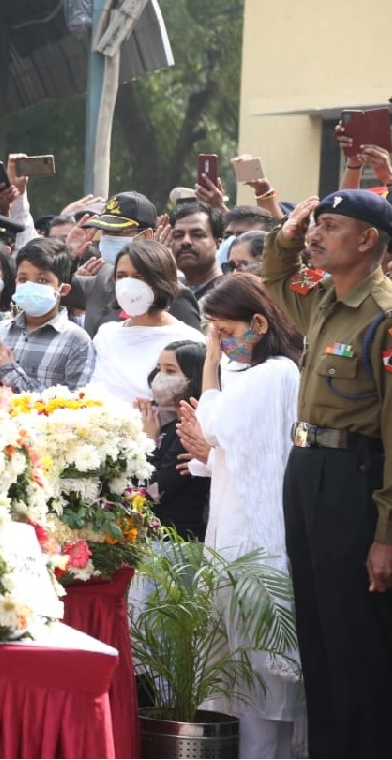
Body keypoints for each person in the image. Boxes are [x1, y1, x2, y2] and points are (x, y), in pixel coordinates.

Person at [262, 189, 392, 756]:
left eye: (331, 225)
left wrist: (386, 533)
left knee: (355, 636)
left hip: (355, 479)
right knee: (316, 629)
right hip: (308, 470)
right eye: (316, 224)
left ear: (368, 240)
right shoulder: (324, 300)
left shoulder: (383, 314)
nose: (315, 234)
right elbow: (274, 281)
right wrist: (287, 236)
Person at [179, 273, 305, 756]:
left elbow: (213, 425)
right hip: (234, 530)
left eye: (225, 331)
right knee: (236, 675)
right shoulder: (255, 376)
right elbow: (241, 455)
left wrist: (210, 368)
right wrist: (207, 453)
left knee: (259, 675)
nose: (218, 342)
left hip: (256, 542)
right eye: (212, 332)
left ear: (259, 323)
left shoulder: (274, 373)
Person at [63, 191, 202, 337]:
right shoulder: (103, 278)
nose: (109, 239)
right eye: (105, 232)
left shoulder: (172, 294)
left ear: (147, 236)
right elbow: (58, 289)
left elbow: (193, 346)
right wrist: (69, 254)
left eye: (119, 233)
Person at [89, 239, 204, 403]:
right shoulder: (106, 334)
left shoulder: (189, 341)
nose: (128, 284)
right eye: (121, 276)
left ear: (161, 281)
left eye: (139, 277)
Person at [0, 238, 93, 393]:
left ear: (63, 289)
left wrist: (9, 371)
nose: (30, 286)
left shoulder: (76, 341)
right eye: (23, 279)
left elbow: (75, 402)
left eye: (42, 280)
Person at [137, 340, 209, 540]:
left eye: (170, 371)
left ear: (194, 378)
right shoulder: (169, 428)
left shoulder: (190, 433)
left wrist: (148, 444)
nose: (159, 378)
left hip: (178, 543)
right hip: (157, 539)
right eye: (159, 369)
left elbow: (154, 493)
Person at [169, 202, 225, 299]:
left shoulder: (229, 294)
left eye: (197, 235)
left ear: (218, 243)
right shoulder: (170, 291)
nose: (185, 241)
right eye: (178, 235)